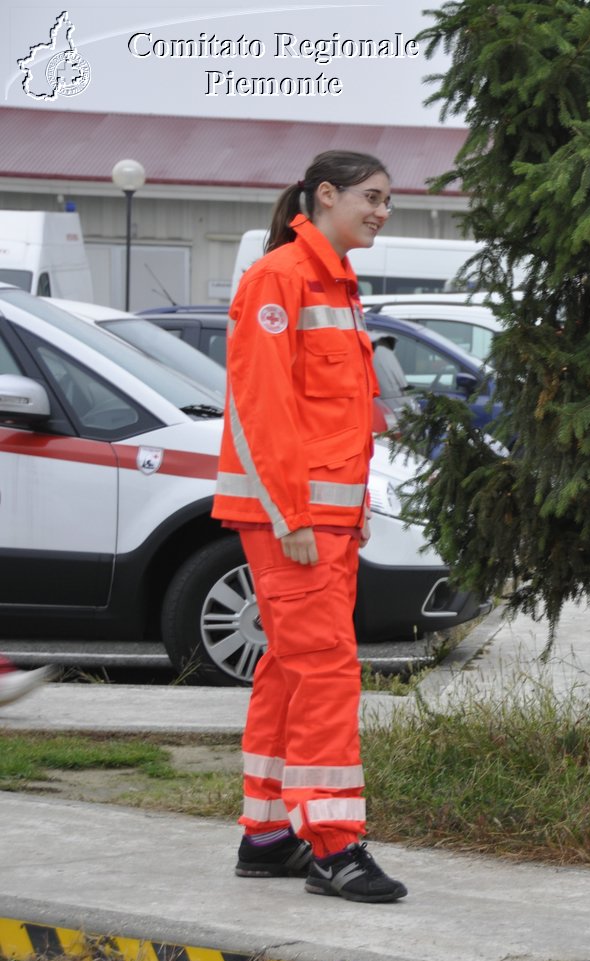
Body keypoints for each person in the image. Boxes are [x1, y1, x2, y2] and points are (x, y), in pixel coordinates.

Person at [214, 150, 407, 903]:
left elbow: (330, 419)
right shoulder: (282, 277)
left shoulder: (331, 280)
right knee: (326, 670)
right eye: (372, 196)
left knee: (290, 670)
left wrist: (343, 514)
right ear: (324, 195)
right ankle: (334, 847)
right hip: (295, 521)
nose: (382, 211)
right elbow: (260, 408)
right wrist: (291, 512)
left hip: (324, 520)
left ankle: (267, 835)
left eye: (387, 199)